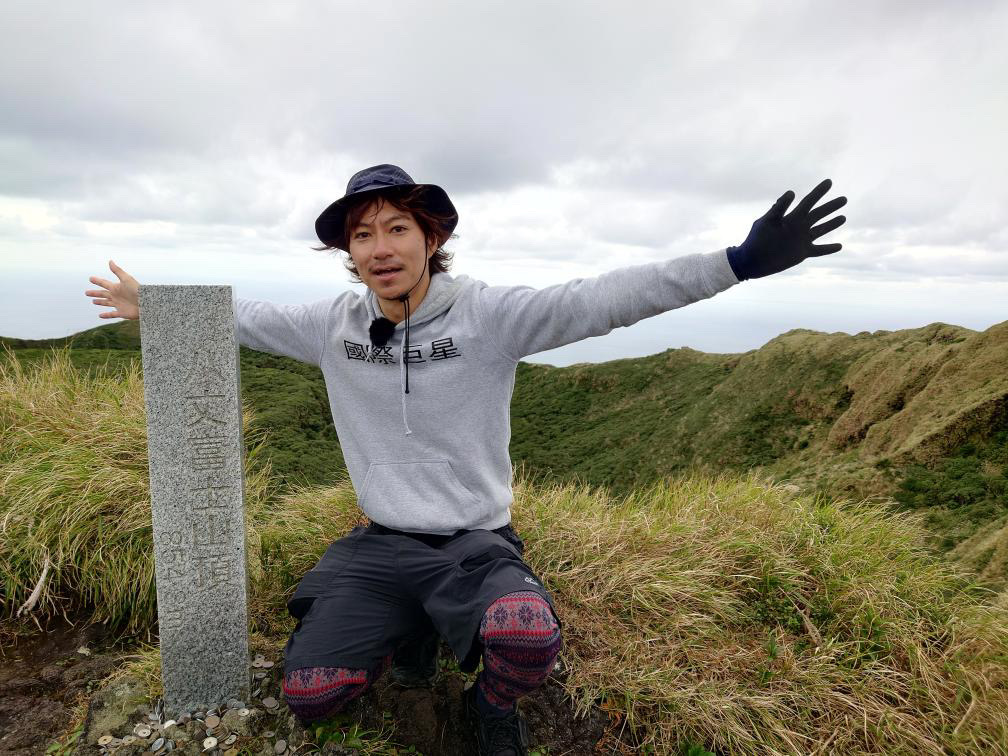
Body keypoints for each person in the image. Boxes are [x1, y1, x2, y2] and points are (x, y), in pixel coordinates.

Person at [85, 164, 847, 755]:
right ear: (348, 252)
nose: (380, 248)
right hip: (379, 545)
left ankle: (490, 707)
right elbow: (243, 317)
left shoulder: (490, 317)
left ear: (431, 237)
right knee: (313, 693)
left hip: (473, 545)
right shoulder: (331, 326)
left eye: (396, 228)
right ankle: (409, 633)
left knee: (525, 637)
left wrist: (737, 261)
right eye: (362, 235)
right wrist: (151, 301)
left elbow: (603, 298)